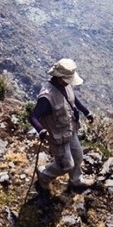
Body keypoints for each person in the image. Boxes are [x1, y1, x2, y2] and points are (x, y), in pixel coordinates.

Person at [28, 58, 95, 193]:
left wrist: (86, 112)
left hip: (70, 129)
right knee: (66, 165)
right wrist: (40, 130)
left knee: (78, 156)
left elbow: (73, 100)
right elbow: (33, 116)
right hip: (57, 136)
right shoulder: (47, 97)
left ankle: (76, 180)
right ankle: (44, 175)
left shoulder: (65, 85)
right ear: (59, 77)